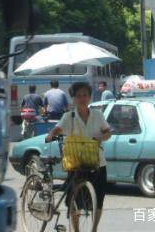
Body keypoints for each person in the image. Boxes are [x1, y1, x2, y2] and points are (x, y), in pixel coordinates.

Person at [45, 82, 111, 232]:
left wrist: (101, 136)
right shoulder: (69, 116)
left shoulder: (97, 115)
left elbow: (108, 132)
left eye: (85, 95)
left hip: (97, 162)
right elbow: (57, 129)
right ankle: (76, 230)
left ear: (89, 97)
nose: (82, 98)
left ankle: (94, 229)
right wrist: (50, 135)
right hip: (76, 162)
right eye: (79, 95)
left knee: (98, 201)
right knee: (74, 201)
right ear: (74, 98)